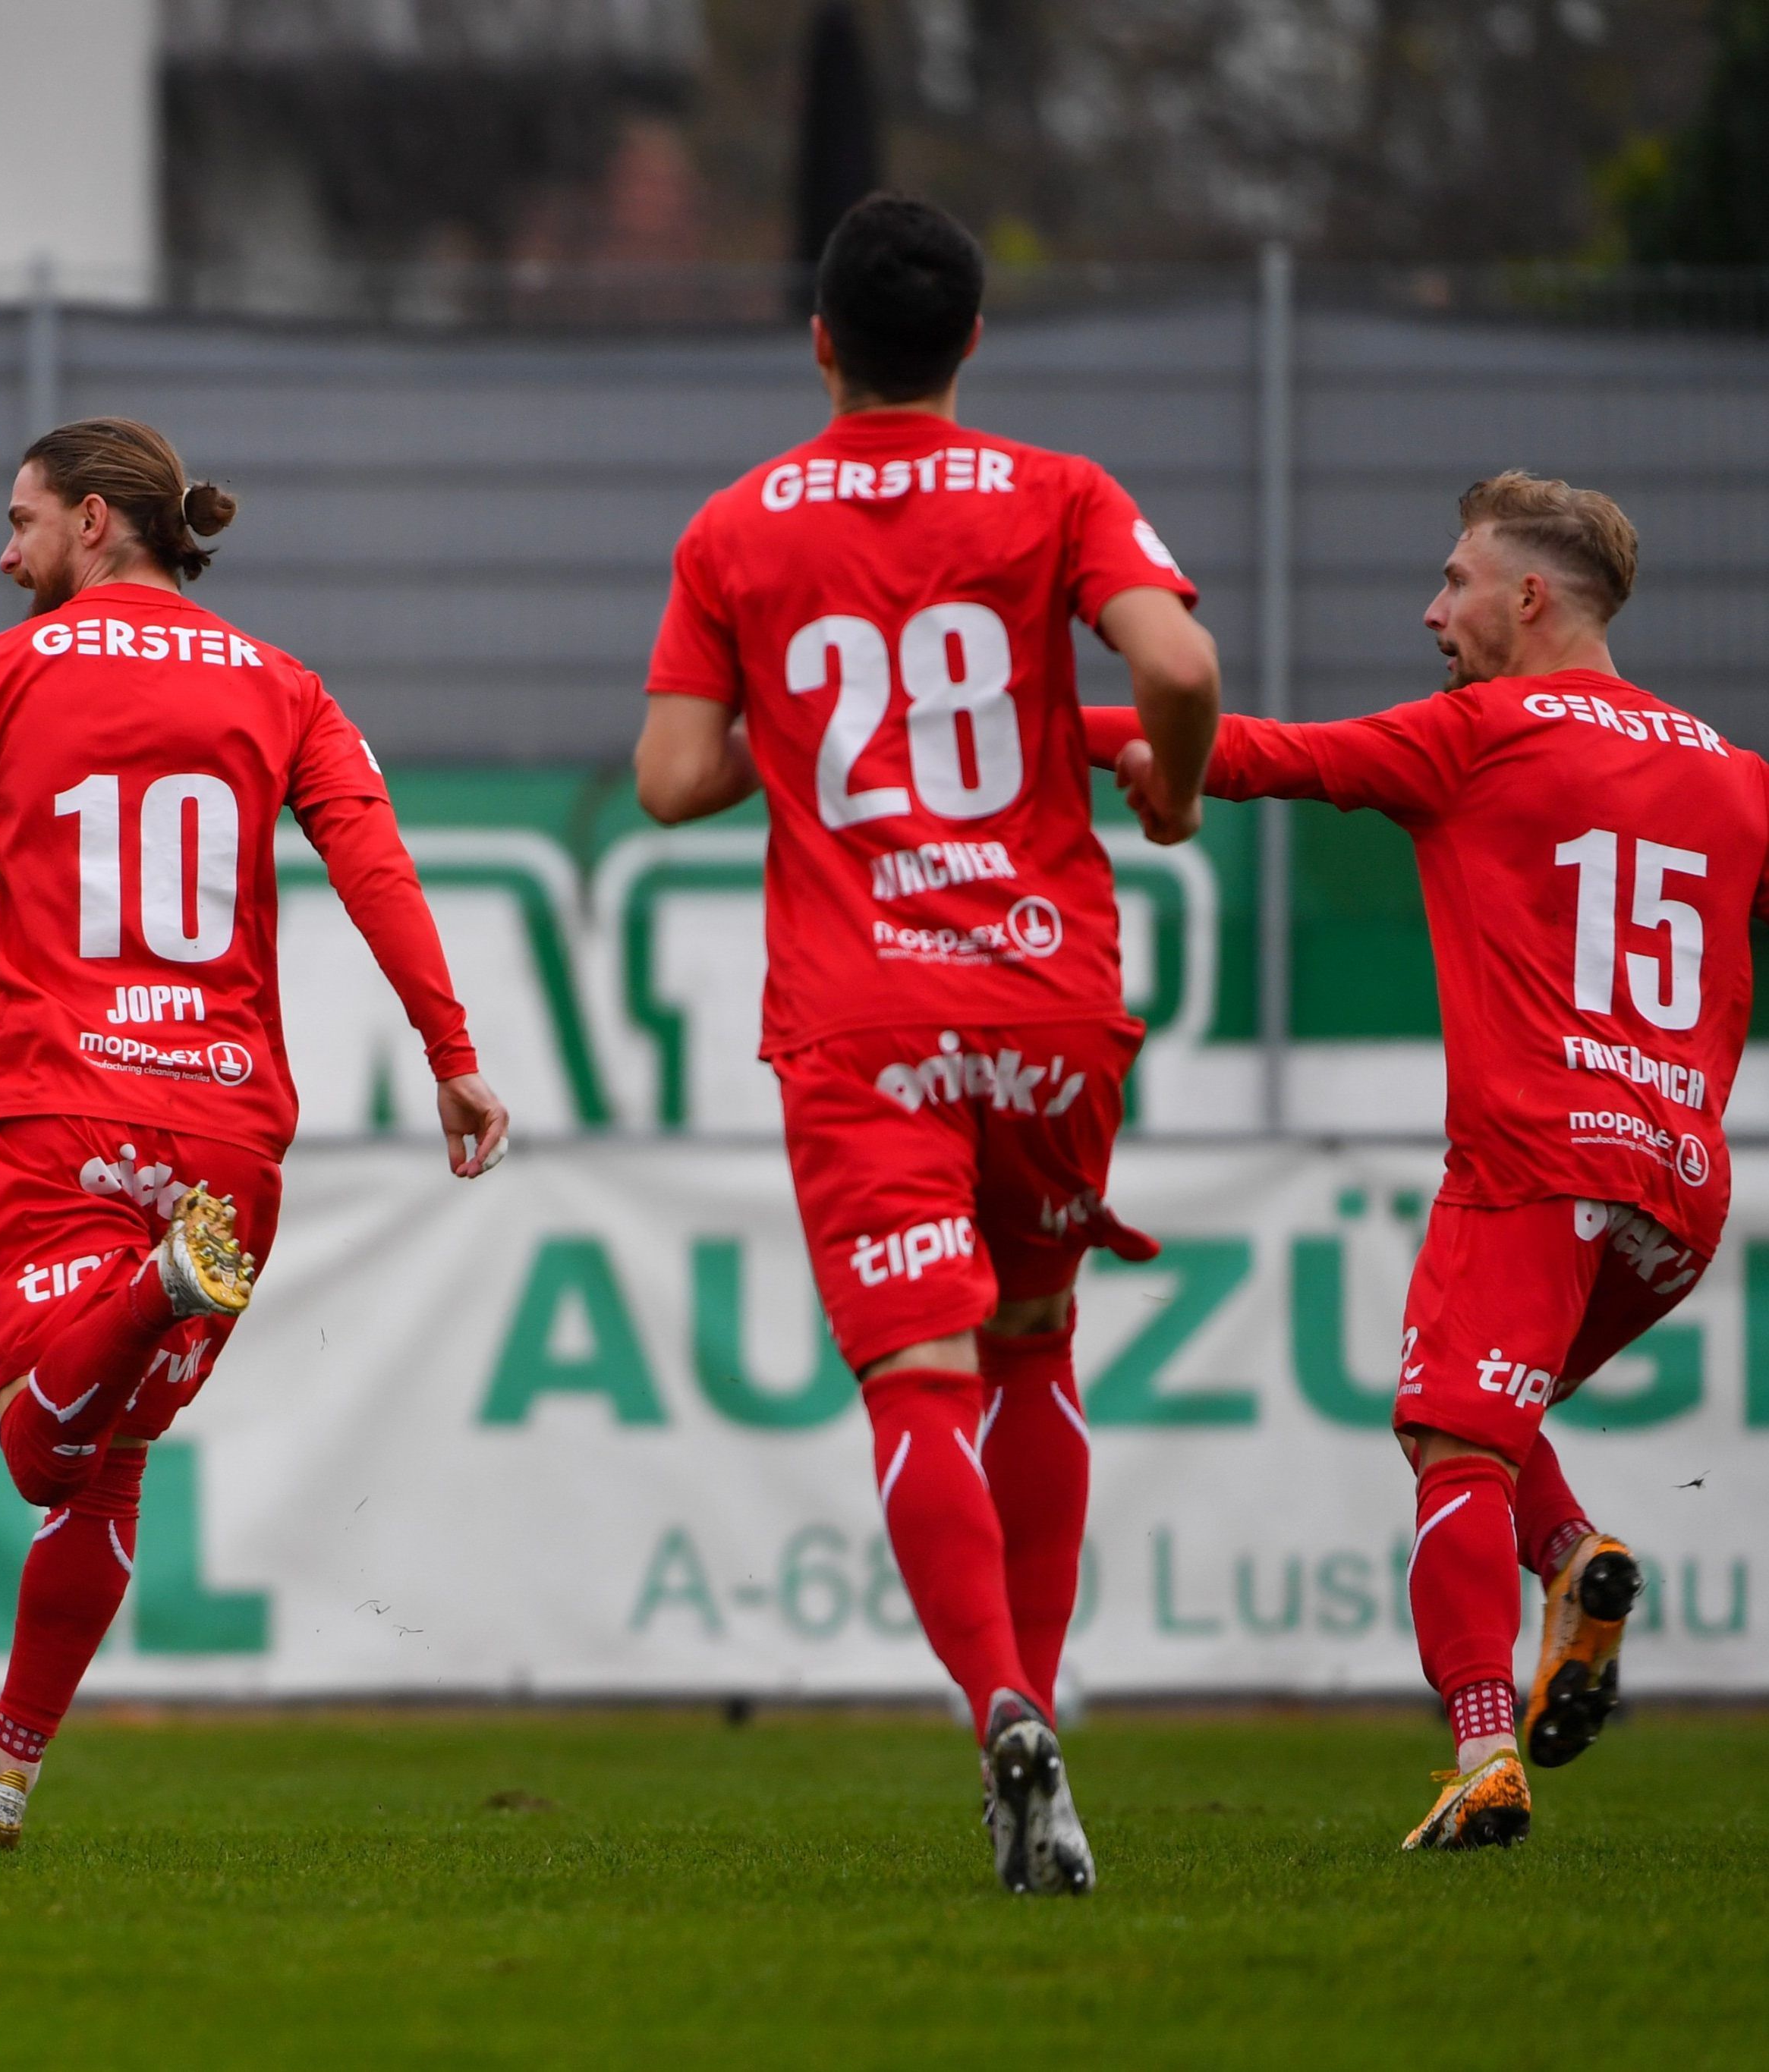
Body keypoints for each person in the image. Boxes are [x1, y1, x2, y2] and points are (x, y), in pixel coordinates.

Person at [633, 194, 1220, 1895]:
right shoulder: (1059, 488)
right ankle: (1045, 1724)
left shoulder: (734, 530)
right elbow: (1177, 659)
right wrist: (1173, 791)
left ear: (819, 341)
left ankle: (1001, 1709)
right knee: (1036, 1346)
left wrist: (790, 723)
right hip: (1046, 993)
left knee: (920, 1377)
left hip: (865, 1011)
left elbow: (672, 781)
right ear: (972, 340)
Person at [0, 416, 508, 1850]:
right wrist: (452, 1058)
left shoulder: (3, 669)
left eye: (19, 522)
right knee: (113, 1463)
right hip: (226, 1129)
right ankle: (2, 1774)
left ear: (93, 523)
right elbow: (376, 867)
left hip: (59, 1100)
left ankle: (150, 1288)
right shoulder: (285, 685)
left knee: (39, 1454)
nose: (1, 551)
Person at [1091, 472, 1744, 1852]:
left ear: (1527, 598)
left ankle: (1479, 1752)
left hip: (1532, 1158)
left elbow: (1263, 754)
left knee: (1452, 1444)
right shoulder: (1735, 773)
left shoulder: (1478, 734)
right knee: (1487, 1424)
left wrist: (1039, 733)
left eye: (1453, 581)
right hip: (1677, 1193)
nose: (1429, 609)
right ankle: (1577, 1561)